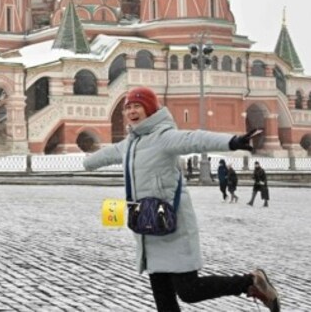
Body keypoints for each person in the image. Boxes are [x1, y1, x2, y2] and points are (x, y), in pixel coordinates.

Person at [83, 86, 279, 312]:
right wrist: (87, 160)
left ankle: (250, 282)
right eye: (128, 107)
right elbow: (104, 156)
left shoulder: (164, 137)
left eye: (137, 106)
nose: (132, 111)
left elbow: (195, 139)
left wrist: (232, 142)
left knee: (189, 290)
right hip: (148, 227)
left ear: (150, 109)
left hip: (172, 224)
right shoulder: (129, 144)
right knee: (165, 303)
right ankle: (250, 283)